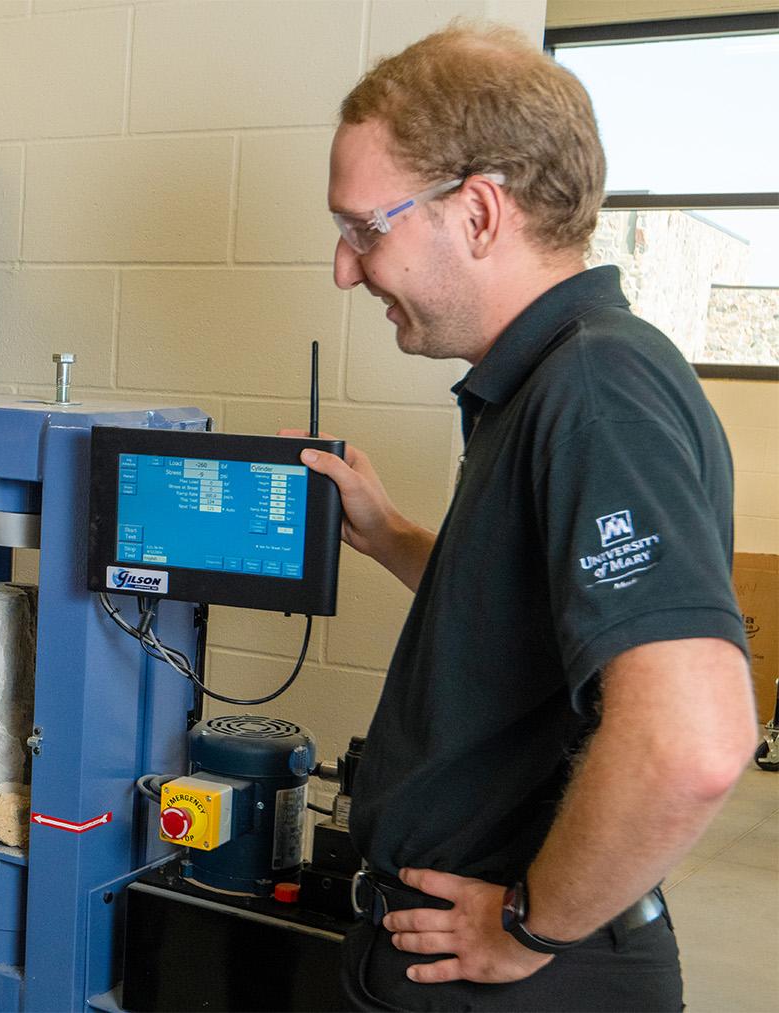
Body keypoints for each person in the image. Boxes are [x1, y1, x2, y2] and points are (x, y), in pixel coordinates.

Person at [294, 24, 759, 1011]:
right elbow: (543, 618)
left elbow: (695, 737)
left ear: (476, 212)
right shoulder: (553, 382)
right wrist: (394, 537)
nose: (346, 267)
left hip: (522, 975)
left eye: (365, 228)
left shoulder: (596, 386)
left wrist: (528, 924)